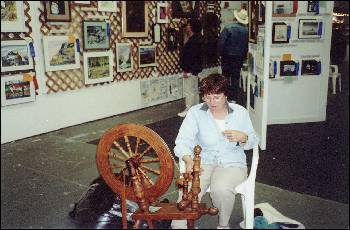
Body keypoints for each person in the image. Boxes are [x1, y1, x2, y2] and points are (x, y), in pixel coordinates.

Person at [171, 73, 259, 229]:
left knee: (221, 188)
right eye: (207, 97)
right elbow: (182, 141)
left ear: (225, 95)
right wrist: (188, 160)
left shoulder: (240, 113)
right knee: (189, 189)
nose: (211, 102)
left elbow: (253, 141)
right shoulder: (195, 113)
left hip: (232, 162)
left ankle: (223, 225)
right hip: (202, 162)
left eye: (216, 97)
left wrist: (243, 137)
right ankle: (180, 225)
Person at [218, 9, 249, 103]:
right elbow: (246, 46)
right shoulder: (246, 31)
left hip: (227, 57)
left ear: (235, 17)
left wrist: (220, 54)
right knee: (235, 78)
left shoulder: (228, 28)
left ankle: (225, 96)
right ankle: (234, 99)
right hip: (239, 57)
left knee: (225, 77)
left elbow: (221, 43)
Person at [178, 18, 204, 117]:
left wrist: (187, 70)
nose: (187, 27)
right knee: (194, 90)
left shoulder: (193, 41)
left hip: (190, 70)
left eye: (188, 25)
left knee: (189, 91)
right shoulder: (198, 39)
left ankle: (189, 109)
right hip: (195, 70)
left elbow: (191, 57)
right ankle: (196, 109)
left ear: (192, 27)